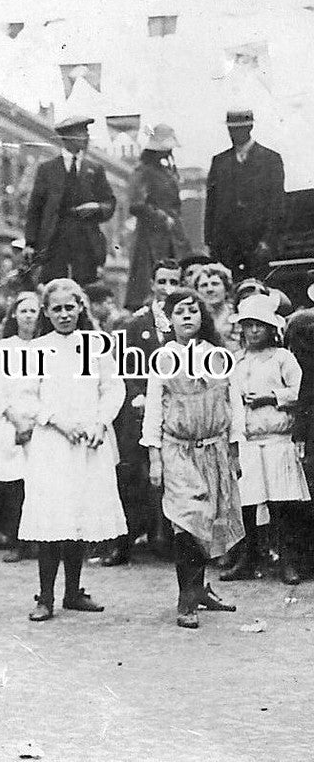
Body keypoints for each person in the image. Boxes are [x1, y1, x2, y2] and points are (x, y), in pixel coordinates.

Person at [15, 278, 126, 621]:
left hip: (89, 442)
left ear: (81, 307)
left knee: (80, 514)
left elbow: (112, 389)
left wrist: (100, 423)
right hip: (53, 442)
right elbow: (25, 396)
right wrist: (57, 421)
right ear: (46, 312)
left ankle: (73, 592)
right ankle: (45, 596)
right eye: (56, 309)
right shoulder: (35, 350)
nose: (64, 314)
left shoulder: (98, 346)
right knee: (52, 518)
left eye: (70, 307)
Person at [140, 288, 244, 628]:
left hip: (214, 448)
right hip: (178, 450)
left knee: (210, 522)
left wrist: (234, 448)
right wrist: (155, 458)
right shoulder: (163, 358)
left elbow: (234, 403)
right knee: (187, 520)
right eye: (180, 312)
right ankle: (186, 598)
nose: (187, 317)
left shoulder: (218, 356)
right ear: (168, 319)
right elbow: (154, 409)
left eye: (193, 311)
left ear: (202, 317)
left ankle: (201, 590)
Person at [223, 294, 310, 584]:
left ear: (271, 328)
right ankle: (248, 558)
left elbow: (301, 392)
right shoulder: (236, 361)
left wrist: (271, 397)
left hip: (277, 437)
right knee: (248, 502)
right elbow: (230, 399)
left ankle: (288, 560)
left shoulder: (283, 358)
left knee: (281, 503)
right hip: (249, 438)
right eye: (248, 325)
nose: (254, 331)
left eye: (260, 325)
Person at [103, 259, 181, 567]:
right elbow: (122, 367)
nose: (168, 289)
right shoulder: (136, 324)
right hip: (139, 411)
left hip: (172, 410)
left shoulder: (183, 321)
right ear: (152, 284)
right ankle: (122, 544)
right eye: (162, 282)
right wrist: (137, 396)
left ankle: (165, 540)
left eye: (174, 282)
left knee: (172, 475)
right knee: (132, 476)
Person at [23, 116, 117, 286]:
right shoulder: (47, 169)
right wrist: (30, 243)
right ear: (67, 137)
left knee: (85, 288)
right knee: (55, 287)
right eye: (82, 132)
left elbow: (109, 203)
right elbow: (35, 209)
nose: (87, 137)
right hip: (54, 241)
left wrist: (96, 207)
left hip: (86, 242)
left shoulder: (95, 169)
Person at [0, 291, 40, 563]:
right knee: (9, 483)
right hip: (9, 419)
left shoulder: (46, 346)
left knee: (35, 483)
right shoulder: (3, 347)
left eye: (34, 310)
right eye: (24, 310)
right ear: (15, 315)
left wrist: (36, 419)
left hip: (40, 421)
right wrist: (16, 418)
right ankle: (11, 538)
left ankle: (32, 542)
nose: (29, 315)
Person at [205, 110, 286, 279]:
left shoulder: (270, 159)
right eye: (231, 129)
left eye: (239, 128)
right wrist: (210, 242)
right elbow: (211, 205)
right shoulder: (220, 162)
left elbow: (277, 205)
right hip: (226, 245)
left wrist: (267, 241)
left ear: (250, 127)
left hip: (258, 243)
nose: (234, 133)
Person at [124, 125, 191, 309]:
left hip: (172, 238)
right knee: (147, 284)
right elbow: (136, 204)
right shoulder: (143, 171)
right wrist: (161, 217)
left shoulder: (167, 173)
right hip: (150, 240)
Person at [193, 264, 235, 346]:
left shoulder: (236, 314)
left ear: (226, 288)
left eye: (215, 284)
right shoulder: (194, 317)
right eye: (204, 285)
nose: (210, 289)